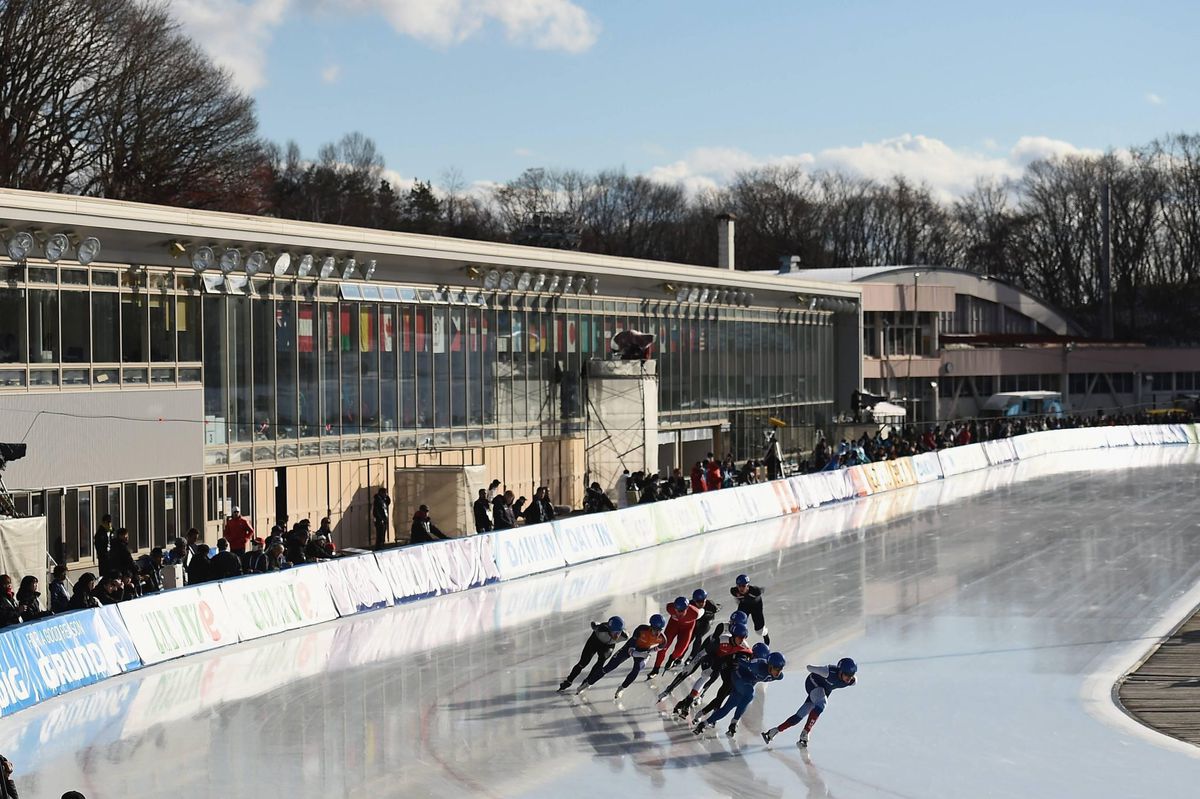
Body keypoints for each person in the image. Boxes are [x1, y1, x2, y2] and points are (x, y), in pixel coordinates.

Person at [763, 658, 858, 748]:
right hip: (812, 683)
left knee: (800, 715)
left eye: (852, 675)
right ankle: (806, 732)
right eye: (847, 675)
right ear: (840, 671)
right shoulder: (827, 672)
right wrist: (820, 670)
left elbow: (852, 680)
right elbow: (809, 667)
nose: (849, 678)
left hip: (823, 690)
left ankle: (773, 732)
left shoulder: (851, 681)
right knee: (822, 704)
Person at [575, 613, 667, 700]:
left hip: (643, 651)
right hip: (630, 648)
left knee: (636, 670)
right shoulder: (641, 629)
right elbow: (631, 651)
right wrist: (642, 654)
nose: (657, 633)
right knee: (608, 667)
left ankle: (622, 688)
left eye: (660, 630)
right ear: (650, 626)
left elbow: (658, 648)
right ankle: (587, 684)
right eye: (655, 629)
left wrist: (648, 652)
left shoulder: (663, 640)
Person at [694, 651, 786, 738]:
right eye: (776, 669)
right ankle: (735, 722)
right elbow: (740, 661)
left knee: (727, 708)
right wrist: (731, 659)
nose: (778, 673)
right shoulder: (758, 666)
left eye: (780, 670)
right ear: (770, 666)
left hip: (745, 685)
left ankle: (704, 724)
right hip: (738, 677)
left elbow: (776, 674)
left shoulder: (779, 677)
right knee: (750, 693)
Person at [558, 616, 627, 693]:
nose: (616, 636)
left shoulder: (624, 636)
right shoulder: (601, 629)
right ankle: (569, 681)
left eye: (619, 632)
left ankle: (587, 681)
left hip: (608, 646)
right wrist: (596, 625)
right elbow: (594, 624)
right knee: (583, 662)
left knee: (601, 661)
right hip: (594, 641)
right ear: (609, 629)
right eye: (614, 632)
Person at [647, 596, 703, 679]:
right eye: (677, 610)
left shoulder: (695, 613)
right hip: (673, 625)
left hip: (687, 629)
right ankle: (655, 669)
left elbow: (703, 610)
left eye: (681, 611)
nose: (679, 613)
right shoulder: (670, 608)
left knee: (680, 651)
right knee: (663, 647)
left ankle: (671, 659)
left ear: (687, 608)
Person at [684, 589, 722, 664]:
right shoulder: (690, 604)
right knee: (689, 637)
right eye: (698, 602)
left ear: (706, 599)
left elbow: (718, 607)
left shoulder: (711, 605)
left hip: (706, 622)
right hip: (697, 621)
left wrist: (718, 607)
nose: (701, 604)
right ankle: (680, 656)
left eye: (703, 601)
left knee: (698, 636)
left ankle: (692, 657)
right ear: (694, 601)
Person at [730, 573, 769, 644]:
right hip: (744, 605)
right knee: (738, 622)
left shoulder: (755, 591)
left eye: (743, 586)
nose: (741, 588)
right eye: (739, 586)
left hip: (756, 607)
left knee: (759, 631)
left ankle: (765, 634)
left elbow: (761, 590)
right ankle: (737, 639)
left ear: (748, 585)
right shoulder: (734, 591)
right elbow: (737, 598)